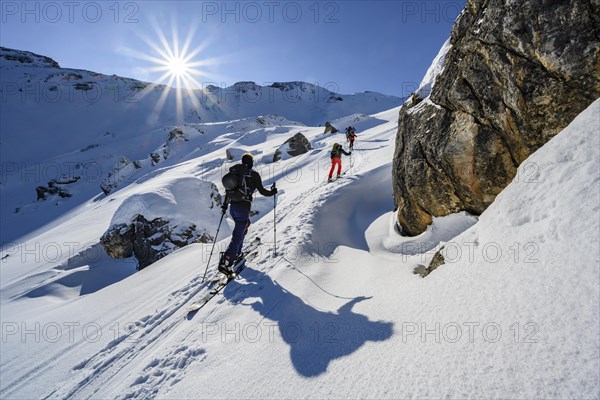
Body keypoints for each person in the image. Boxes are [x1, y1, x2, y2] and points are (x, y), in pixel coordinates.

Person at [219, 153, 277, 275]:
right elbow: (262, 191)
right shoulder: (253, 175)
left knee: (244, 226)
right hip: (243, 207)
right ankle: (227, 261)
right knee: (238, 234)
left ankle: (237, 253)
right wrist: (273, 192)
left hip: (233, 207)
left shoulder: (235, 174)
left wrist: (225, 206)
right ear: (250, 163)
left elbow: (229, 192)